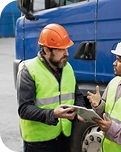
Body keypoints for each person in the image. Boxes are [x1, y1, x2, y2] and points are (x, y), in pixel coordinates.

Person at [16, 23, 86, 152]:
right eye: (61, 49)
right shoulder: (29, 70)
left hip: (64, 138)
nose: (67, 53)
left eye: (67, 48)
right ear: (47, 50)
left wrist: (80, 111)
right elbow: (24, 109)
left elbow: (77, 96)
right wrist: (53, 114)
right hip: (38, 143)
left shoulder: (67, 67)